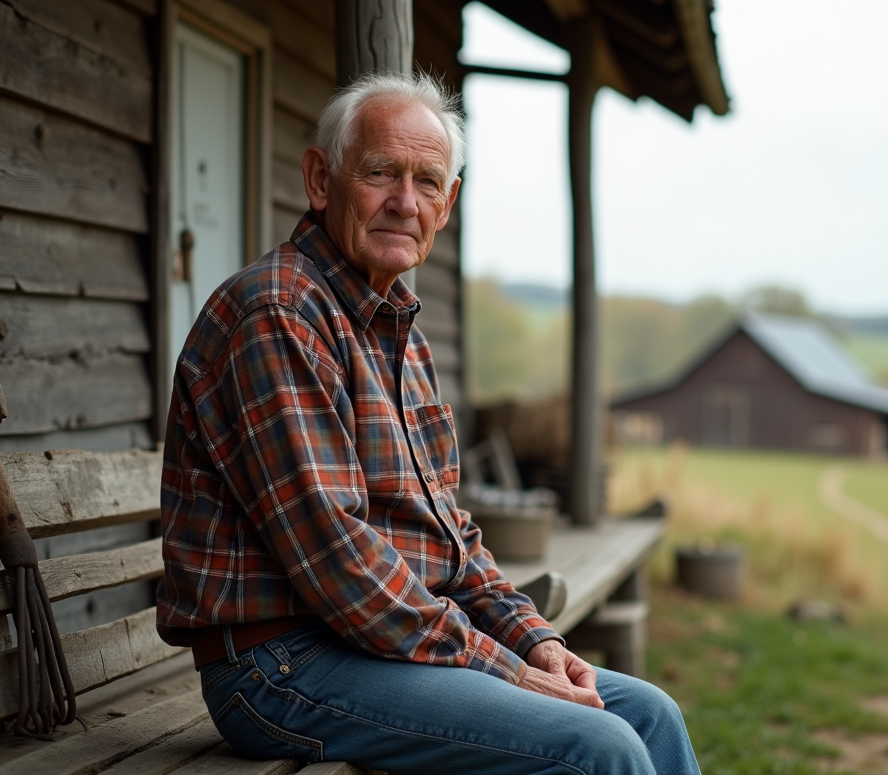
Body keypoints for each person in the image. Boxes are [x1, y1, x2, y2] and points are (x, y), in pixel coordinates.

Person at [156, 71, 700, 775]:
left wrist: (535, 642)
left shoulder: (400, 333)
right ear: (321, 180)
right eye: (381, 172)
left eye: (428, 181)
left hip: (372, 643)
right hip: (280, 666)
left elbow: (452, 537)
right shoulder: (280, 314)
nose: (404, 202)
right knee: (596, 748)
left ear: (449, 203)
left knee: (650, 713)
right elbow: (338, 558)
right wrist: (497, 666)